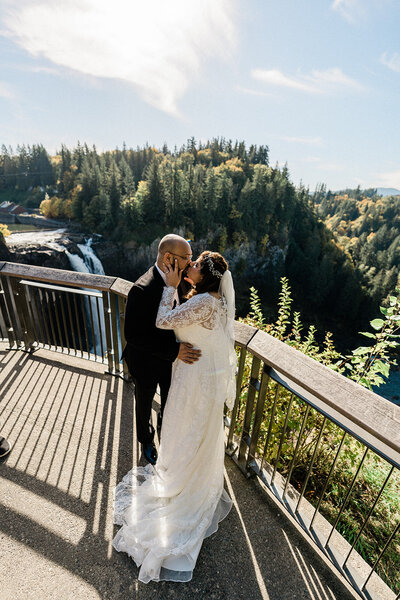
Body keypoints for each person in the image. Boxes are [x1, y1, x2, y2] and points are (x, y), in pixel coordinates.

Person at [113, 251, 237, 583]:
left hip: (193, 378)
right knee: (196, 431)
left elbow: (163, 321)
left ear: (205, 275)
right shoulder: (217, 303)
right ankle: (191, 474)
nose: (188, 266)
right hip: (203, 375)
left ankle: (182, 484)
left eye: (194, 264)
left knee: (184, 427)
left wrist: (169, 286)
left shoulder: (201, 303)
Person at [122, 234, 201, 465]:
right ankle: (146, 440)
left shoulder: (183, 280)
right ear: (168, 257)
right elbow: (134, 336)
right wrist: (174, 351)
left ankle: (164, 434)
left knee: (170, 400)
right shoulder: (142, 288)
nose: (190, 261)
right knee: (144, 402)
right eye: (187, 257)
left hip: (172, 362)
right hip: (145, 362)